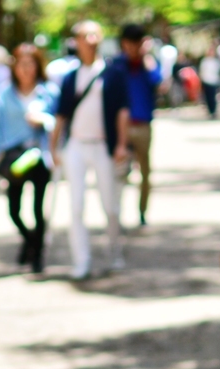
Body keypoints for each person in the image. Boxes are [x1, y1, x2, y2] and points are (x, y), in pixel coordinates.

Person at [49, 20, 130, 279]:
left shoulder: (113, 73)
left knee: (110, 206)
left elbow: (122, 112)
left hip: (102, 146)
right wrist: (53, 146)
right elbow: (61, 114)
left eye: (95, 35)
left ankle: (115, 253)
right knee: (76, 206)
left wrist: (121, 144)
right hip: (76, 145)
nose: (91, 40)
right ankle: (81, 261)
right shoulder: (71, 77)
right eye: (85, 36)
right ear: (77, 41)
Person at [0, 43, 59, 274]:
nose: (26, 69)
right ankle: (29, 241)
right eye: (21, 64)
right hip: (14, 158)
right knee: (14, 211)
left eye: (31, 64)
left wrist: (44, 120)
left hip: (40, 156)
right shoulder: (4, 93)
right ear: (14, 67)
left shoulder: (49, 91)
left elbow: (59, 123)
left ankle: (37, 255)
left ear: (38, 66)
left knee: (38, 209)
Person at [115, 24, 162, 227]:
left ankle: (142, 212)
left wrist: (147, 59)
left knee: (145, 172)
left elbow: (159, 83)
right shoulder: (117, 65)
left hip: (143, 125)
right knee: (120, 172)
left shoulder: (148, 64)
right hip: (122, 127)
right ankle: (116, 213)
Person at [199, 44, 220, 119]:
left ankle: (213, 111)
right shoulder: (204, 61)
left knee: (213, 97)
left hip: (214, 81)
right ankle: (210, 111)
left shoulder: (216, 61)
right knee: (207, 97)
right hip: (206, 81)